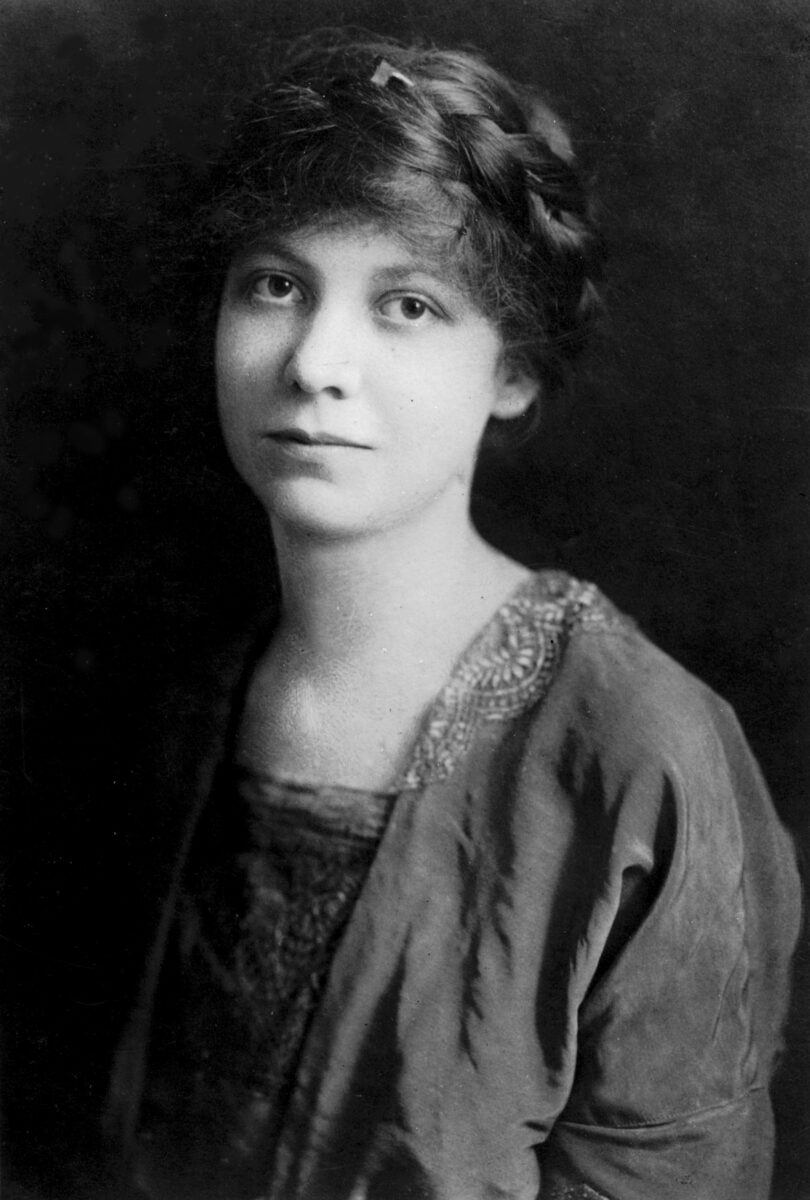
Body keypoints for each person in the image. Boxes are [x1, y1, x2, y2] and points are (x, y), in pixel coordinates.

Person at [104, 31, 801, 1200]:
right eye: (275, 285)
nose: (316, 362)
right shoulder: (184, 684)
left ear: (512, 370)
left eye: (409, 304)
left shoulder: (645, 756)